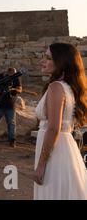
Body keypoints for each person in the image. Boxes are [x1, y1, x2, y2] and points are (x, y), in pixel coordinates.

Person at [34, 43, 87, 200]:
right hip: (63, 147)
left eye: (48, 58)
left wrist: (42, 164)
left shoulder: (56, 87)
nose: (42, 61)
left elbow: (53, 128)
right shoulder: (68, 87)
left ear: (61, 62)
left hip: (55, 152)